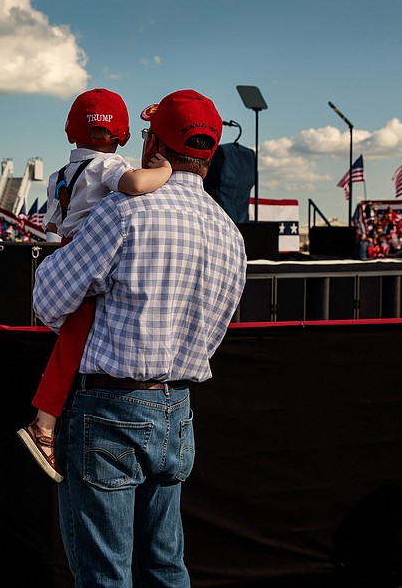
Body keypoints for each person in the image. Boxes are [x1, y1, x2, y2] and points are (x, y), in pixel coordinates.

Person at [32, 89, 247, 587]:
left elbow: (48, 303)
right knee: (166, 568)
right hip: (178, 411)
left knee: (105, 576)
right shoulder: (229, 233)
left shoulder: (124, 212)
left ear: (153, 144)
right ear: (210, 154)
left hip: (109, 412)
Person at [17, 88, 173, 484]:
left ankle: (50, 419)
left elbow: (51, 225)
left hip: (65, 252)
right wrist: (167, 170)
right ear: (121, 135)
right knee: (71, 345)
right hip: (92, 257)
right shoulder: (109, 166)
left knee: (71, 340)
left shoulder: (60, 174)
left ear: (72, 132)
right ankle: (44, 424)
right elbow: (137, 183)